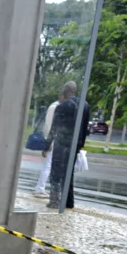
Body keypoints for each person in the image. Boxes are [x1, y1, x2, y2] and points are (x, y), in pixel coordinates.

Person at [44, 81, 89, 210]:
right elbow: (85, 127)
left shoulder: (62, 106)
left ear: (65, 90)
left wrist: (47, 145)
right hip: (75, 144)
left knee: (56, 173)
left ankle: (54, 200)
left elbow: (54, 128)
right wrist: (81, 145)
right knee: (69, 173)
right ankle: (69, 201)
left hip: (62, 143)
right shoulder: (84, 105)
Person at [34, 93, 61, 198]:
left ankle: (40, 187)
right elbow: (48, 125)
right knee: (47, 165)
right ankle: (40, 188)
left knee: (48, 165)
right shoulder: (54, 107)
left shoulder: (56, 107)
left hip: (54, 139)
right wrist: (48, 142)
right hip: (52, 139)